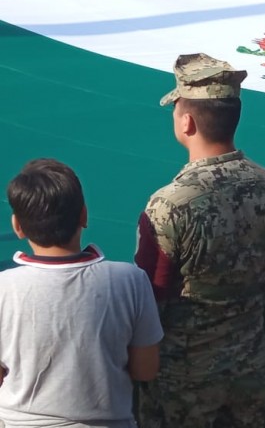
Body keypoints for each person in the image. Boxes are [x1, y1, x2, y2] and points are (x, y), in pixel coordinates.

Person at [136, 52, 265, 426]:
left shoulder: (169, 205)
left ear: (186, 121)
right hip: (250, 370)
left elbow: (148, 303)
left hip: (184, 384)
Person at [0, 159, 162, 426]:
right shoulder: (131, 280)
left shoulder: (4, 287)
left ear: (17, 226)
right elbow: (145, 370)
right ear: (84, 215)